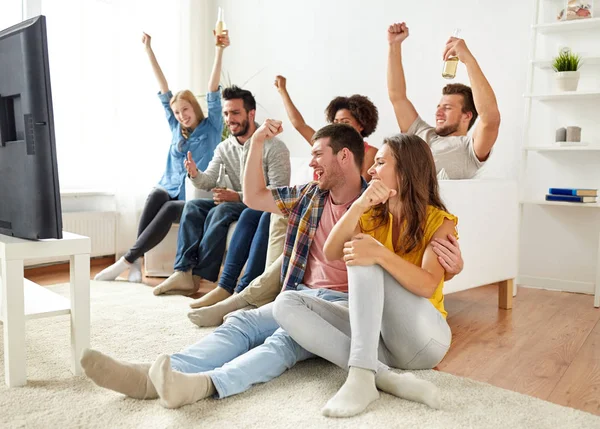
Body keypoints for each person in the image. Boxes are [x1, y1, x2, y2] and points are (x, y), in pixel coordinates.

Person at [80, 123, 440, 410]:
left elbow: (408, 248)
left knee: (282, 339)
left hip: (341, 307)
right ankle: (151, 376)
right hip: (300, 293)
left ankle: (205, 386)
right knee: (244, 322)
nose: (311, 161)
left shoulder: (378, 202)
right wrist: (256, 144)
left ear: (344, 156)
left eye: (317, 154)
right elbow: (254, 198)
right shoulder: (311, 194)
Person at [274, 134, 457, 417]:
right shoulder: (372, 215)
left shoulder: (438, 221)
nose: (370, 170)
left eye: (380, 163)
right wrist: (359, 205)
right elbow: (332, 249)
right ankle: (381, 376)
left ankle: (361, 377)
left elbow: (427, 284)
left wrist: (380, 254)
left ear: (406, 171)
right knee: (286, 304)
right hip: (383, 344)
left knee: (364, 253)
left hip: (427, 339)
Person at [94, 30, 229, 283]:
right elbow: (163, 88)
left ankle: (127, 260)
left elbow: (212, 90)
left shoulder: (211, 129)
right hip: (169, 187)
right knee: (156, 193)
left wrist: (219, 50)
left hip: (195, 195)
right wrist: (148, 50)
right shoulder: (176, 127)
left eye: (185, 110)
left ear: (194, 107)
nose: (181, 116)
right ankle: (136, 264)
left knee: (167, 207)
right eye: (177, 112)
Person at [151, 88, 290, 297]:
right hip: (237, 202)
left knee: (222, 210)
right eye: (226, 114)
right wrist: (195, 173)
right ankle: (183, 272)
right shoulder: (224, 147)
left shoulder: (274, 147)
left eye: (235, 113)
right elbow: (208, 181)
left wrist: (239, 196)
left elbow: (278, 193)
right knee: (193, 207)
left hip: (260, 206)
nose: (229, 119)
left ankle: (201, 276)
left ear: (251, 114)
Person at [387, 22, 501, 179]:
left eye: (447, 108)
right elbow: (397, 96)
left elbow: (491, 118)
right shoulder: (420, 132)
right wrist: (394, 45)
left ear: (466, 116)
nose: (438, 112)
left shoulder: (470, 149)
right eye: (439, 107)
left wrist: (468, 60)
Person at [274, 75, 378, 181]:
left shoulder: (370, 153)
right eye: (335, 122)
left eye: (345, 122)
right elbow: (299, 124)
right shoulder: (325, 144)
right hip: (316, 196)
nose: (339, 126)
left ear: (361, 125)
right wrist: (282, 91)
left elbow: (362, 188)